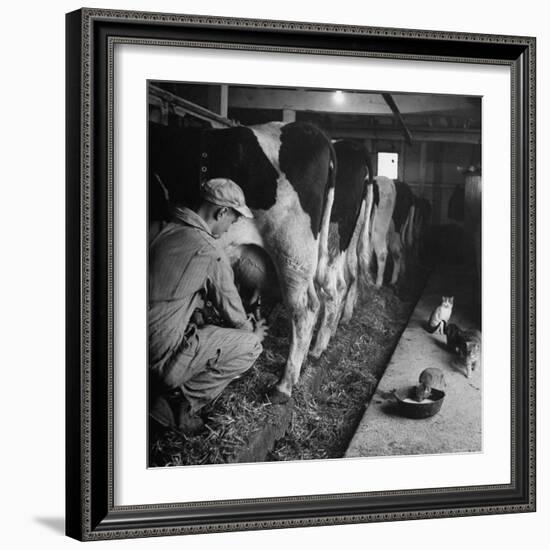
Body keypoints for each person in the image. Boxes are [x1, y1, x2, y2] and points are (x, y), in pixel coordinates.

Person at [149, 178, 268, 435]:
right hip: (157, 359)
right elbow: (234, 314)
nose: (228, 229)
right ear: (221, 212)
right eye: (233, 220)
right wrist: (253, 331)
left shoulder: (158, 227)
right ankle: (179, 405)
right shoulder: (209, 250)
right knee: (251, 346)